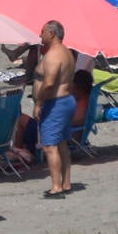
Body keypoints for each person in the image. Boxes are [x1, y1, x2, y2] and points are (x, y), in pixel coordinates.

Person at [34, 19, 75, 198]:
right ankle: (66, 183)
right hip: (66, 100)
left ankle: (56, 187)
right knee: (62, 144)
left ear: (51, 33)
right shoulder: (67, 52)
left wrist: (38, 103)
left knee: (50, 147)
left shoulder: (53, 55)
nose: (40, 35)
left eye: (42, 31)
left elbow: (49, 83)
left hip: (55, 103)